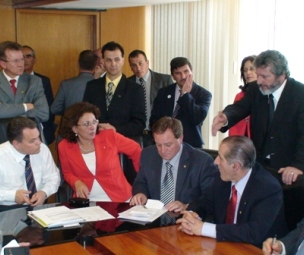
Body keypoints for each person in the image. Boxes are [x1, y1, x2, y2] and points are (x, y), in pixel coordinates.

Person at [212, 50, 304, 185]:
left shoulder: (299, 94)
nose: (259, 81)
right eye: (258, 75)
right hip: (259, 165)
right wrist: (226, 117)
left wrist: (298, 165)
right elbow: (240, 107)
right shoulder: (256, 89)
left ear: (281, 75)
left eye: (264, 76)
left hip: (287, 170)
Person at [176, 136, 287, 248]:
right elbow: (206, 201)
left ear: (235, 166)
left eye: (220, 158)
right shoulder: (223, 177)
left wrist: (203, 228)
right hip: (224, 246)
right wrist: (192, 215)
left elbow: (253, 232)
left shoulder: (267, 188)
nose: (216, 162)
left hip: (254, 249)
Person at [58, 102, 142, 202]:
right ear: (75, 128)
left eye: (94, 122)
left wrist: (141, 181)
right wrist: (76, 182)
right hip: (86, 202)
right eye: (87, 124)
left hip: (120, 199)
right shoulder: (64, 146)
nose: (92, 127)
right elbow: (67, 172)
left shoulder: (109, 137)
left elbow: (136, 150)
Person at [130, 117, 217, 212]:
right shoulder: (148, 154)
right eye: (158, 145)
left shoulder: (202, 161)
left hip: (186, 221)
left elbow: (210, 199)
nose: (163, 150)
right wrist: (141, 193)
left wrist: (187, 206)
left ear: (180, 138)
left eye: (168, 145)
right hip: (154, 219)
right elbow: (141, 182)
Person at [83, 41, 146, 140]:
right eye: (108, 60)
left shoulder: (135, 89)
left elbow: (139, 124)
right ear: (103, 61)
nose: (113, 64)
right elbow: (85, 117)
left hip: (123, 144)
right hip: (96, 143)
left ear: (123, 60)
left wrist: (115, 129)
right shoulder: (92, 86)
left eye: (117, 59)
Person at [150, 57, 211, 148]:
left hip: (191, 145)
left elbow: (197, 118)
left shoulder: (203, 94)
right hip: (165, 144)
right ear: (173, 76)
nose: (183, 76)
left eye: (186, 71)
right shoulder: (163, 92)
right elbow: (154, 120)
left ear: (191, 71)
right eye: (178, 73)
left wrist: (185, 94)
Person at [0, 41, 49, 144]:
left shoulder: (34, 81)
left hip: (29, 142)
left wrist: (8, 112)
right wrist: (26, 106)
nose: (21, 64)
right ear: (3, 64)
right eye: (15, 61)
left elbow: (44, 113)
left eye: (22, 59)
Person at [128, 50, 174, 147]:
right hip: (135, 135)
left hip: (159, 133)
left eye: (140, 63)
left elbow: (172, 108)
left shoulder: (164, 80)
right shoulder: (127, 84)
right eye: (134, 65)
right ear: (131, 67)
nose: (138, 68)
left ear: (147, 63)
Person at [22, 45, 56, 145]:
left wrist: (48, 128)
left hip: (41, 128)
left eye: (28, 56)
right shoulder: (13, 81)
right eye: (22, 57)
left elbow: (50, 106)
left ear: (34, 59)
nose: (25, 60)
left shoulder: (43, 80)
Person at [51, 50, 98, 116]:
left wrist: (69, 113)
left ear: (78, 64)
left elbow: (54, 109)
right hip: (92, 125)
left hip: (70, 123)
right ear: (96, 67)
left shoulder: (65, 84)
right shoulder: (101, 85)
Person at [229, 55, 257, 137]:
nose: (248, 73)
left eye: (252, 69)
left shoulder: (266, 95)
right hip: (241, 141)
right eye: (245, 70)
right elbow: (234, 123)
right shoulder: (239, 96)